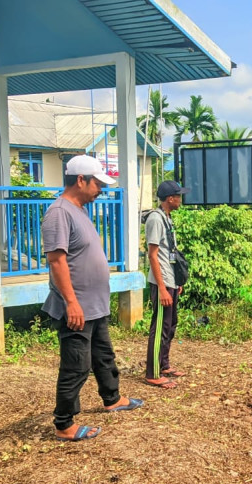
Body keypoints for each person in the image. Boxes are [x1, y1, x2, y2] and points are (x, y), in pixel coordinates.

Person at [42, 155, 144, 442]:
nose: (101, 189)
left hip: (94, 305)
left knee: (103, 355)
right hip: (77, 307)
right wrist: (72, 302)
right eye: (97, 183)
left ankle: (112, 398)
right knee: (76, 364)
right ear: (80, 180)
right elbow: (57, 261)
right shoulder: (59, 213)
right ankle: (64, 423)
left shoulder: (80, 210)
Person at [144, 180, 189, 389]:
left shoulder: (167, 218)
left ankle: (163, 365)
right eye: (178, 196)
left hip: (171, 279)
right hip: (161, 281)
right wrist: (162, 288)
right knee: (160, 326)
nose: (181, 199)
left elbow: (169, 252)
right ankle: (152, 373)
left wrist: (176, 280)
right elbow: (153, 255)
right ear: (170, 198)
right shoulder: (155, 219)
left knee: (171, 325)